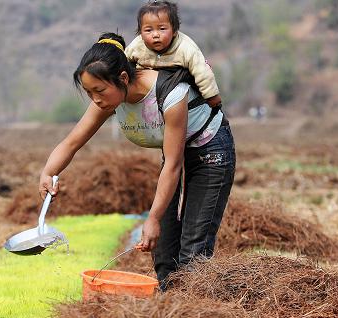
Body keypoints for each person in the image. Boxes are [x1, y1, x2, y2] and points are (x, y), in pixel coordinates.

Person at [39, 32, 235, 291]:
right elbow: (72, 142)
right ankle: (170, 315)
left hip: (210, 150)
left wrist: (152, 218)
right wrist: (48, 171)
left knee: (193, 252)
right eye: (89, 92)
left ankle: (196, 315)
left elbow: (174, 164)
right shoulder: (107, 100)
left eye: (99, 90)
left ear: (122, 78)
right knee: (164, 254)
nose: (95, 99)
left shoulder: (171, 94)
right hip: (174, 156)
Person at [126, 0, 222, 109]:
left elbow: (202, 72)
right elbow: (122, 63)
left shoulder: (186, 47)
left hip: (179, 89)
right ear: (140, 34)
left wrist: (211, 96)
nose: (155, 34)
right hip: (148, 91)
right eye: (148, 30)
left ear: (174, 31)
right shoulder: (136, 46)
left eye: (162, 29)